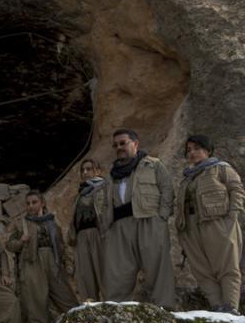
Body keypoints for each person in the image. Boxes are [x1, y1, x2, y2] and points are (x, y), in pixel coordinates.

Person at [94, 129, 176, 308]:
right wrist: (106, 226)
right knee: (118, 271)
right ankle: (117, 311)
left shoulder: (153, 165)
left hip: (148, 221)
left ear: (135, 144)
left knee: (157, 266)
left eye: (123, 143)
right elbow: (106, 204)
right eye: (115, 145)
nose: (119, 147)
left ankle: (165, 308)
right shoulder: (111, 175)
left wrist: (161, 217)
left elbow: (167, 189)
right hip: (119, 226)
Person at [175, 134, 245, 313]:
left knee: (227, 266)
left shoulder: (221, 169)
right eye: (189, 150)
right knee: (202, 270)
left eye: (196, 149)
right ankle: (217, 307)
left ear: (207, 150)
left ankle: (230, 307)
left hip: (217, 223)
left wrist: (232, 216)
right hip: (191, 228)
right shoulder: (187, 178)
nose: (192, 153)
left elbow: (237, 189)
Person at [6, 191, 78, 323]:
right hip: (32, 263)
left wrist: (68, 264)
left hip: (53, 262)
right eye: (28, 203)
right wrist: (21, 241)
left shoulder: (52, 222)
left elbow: (62, 245)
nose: (31, 206)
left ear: (42, 203)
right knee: (36, 304)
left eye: (34, 202)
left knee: (67, 298)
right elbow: (9, 245)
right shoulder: (21, 224)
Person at [68, 159, 106, 301]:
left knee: (104, 273)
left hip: (99, 234)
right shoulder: (80, 194)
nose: (85, 172)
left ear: (98, 171)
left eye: (89, 169)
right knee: (86, 276)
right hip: (81, 237)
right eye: (83, 170)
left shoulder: (105, 188)